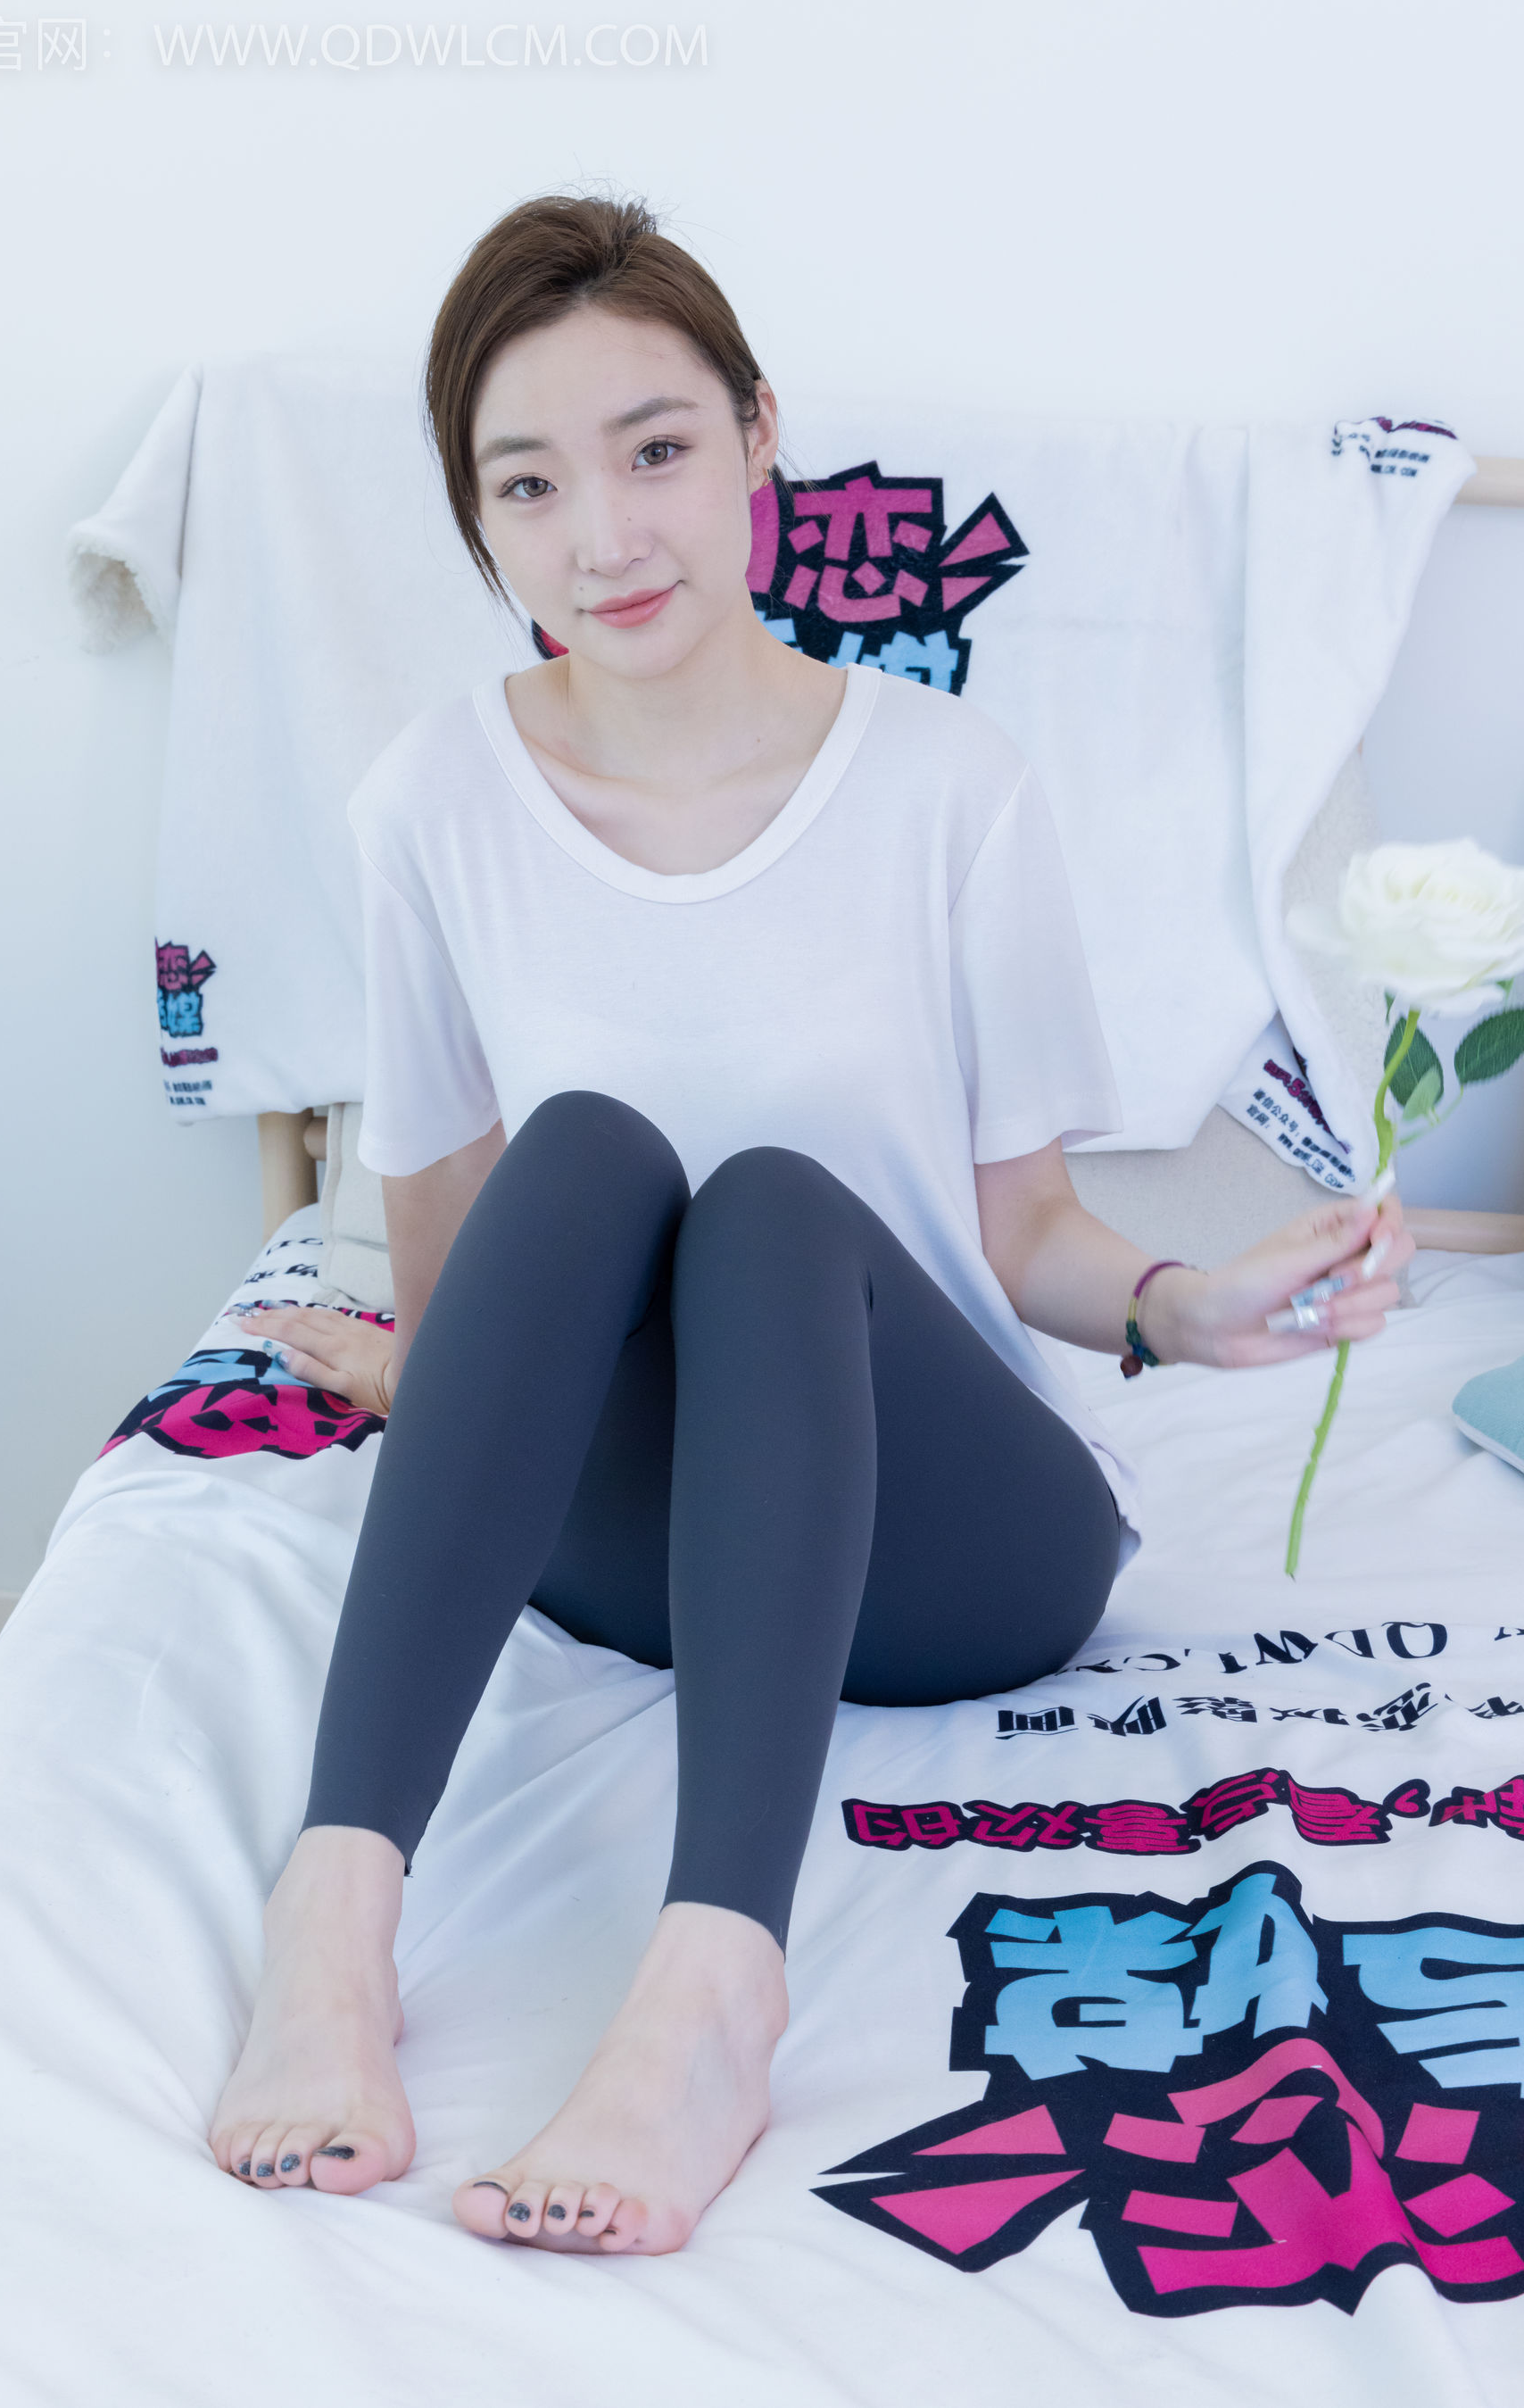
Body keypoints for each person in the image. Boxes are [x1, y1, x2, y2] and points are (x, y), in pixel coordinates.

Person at [208, 191, 1412, 2255]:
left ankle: (712, 1988)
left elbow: (1024, 1228)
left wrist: (1184, 1302)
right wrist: (426, 1371)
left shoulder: (949, 786)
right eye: (531, 482)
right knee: (584, 1152)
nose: (607, 535)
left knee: (770, 1208)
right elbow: (465, 1254)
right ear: (477, 519)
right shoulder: (432, 803)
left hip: (942, 1547)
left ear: (761, 435)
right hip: (631, 1554)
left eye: (657, 448)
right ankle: (335, 1915)